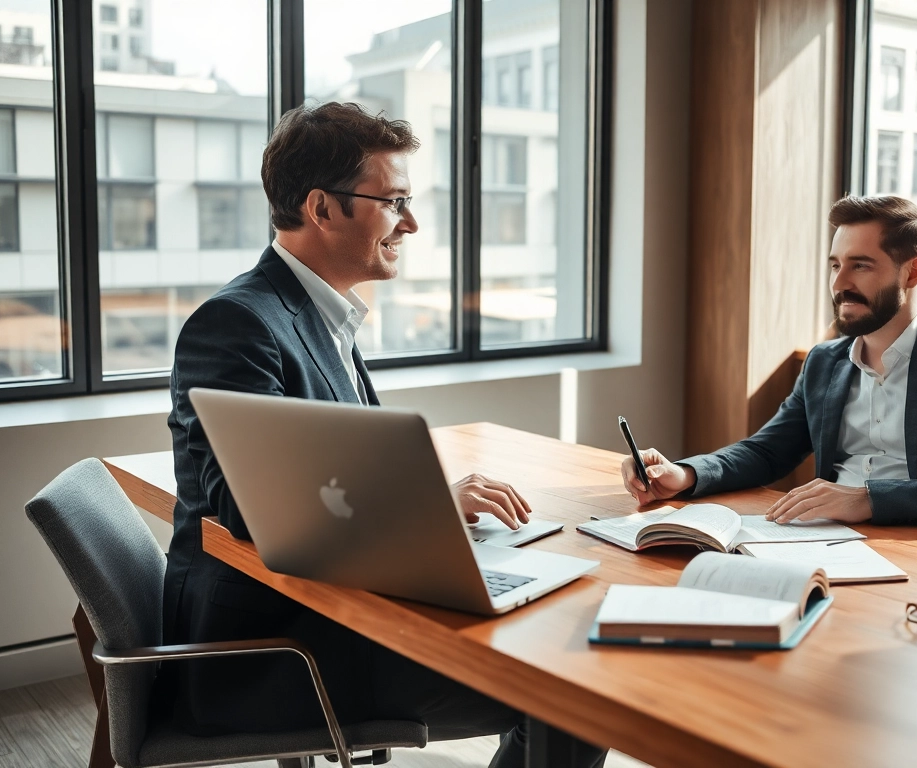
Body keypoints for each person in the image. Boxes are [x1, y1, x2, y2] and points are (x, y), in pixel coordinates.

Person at [162, 102, 605, 768]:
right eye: (395, 200)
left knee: (554, 633)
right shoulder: (236, 323)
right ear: (322, 207)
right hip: (269, 653)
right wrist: (423, 508)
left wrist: (432, 510)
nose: (413, 222)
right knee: (576, 691)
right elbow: (246, 507)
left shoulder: (322, 318)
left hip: (335, 613)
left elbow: (335, 481)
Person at [621, 195, 917, 541]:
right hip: (831, 545)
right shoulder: (825, 362)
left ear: (912, 271)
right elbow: (768, 451)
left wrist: (870, 499)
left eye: (860, 265)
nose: (840, 282)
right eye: (835, 264)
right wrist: (686, 473)